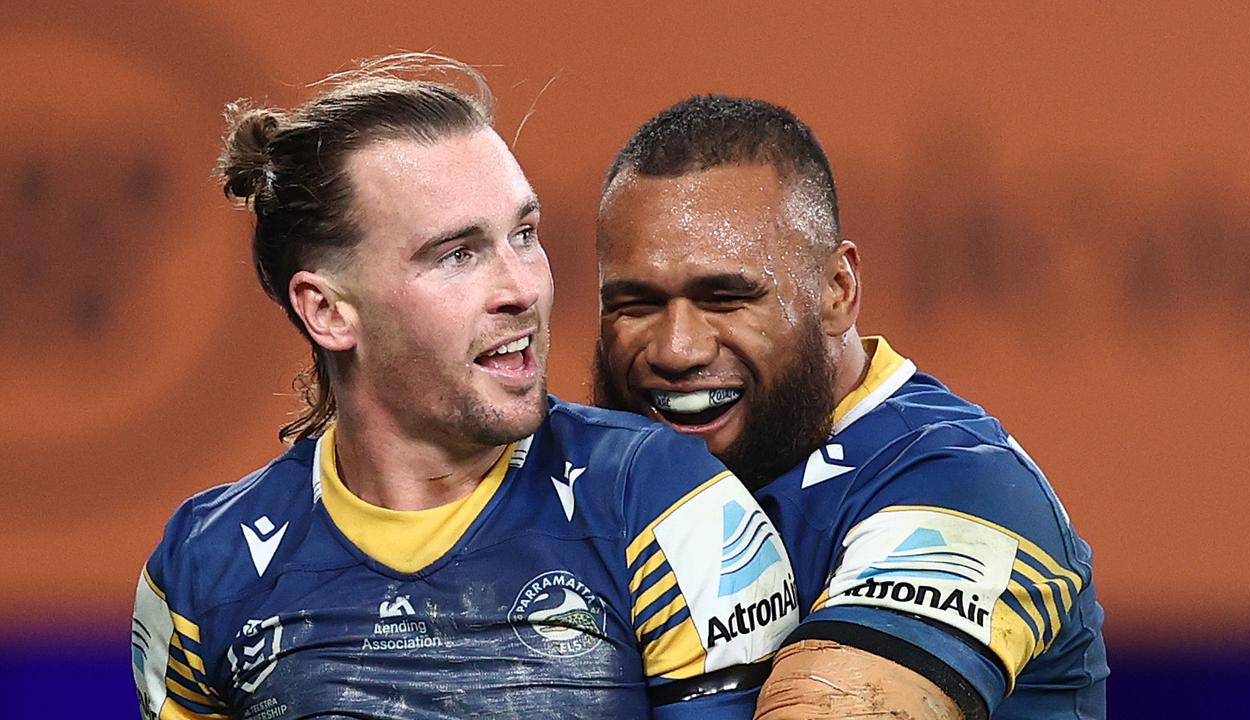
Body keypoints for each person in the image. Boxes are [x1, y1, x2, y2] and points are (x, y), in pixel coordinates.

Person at [130, 59, 798, 720]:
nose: (522, 289)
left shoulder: (664, 504)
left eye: (525, 234)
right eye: (458, 253)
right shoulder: (202, 568)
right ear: (328, 311)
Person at [594, 95, 1107, 719]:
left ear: (838, 290)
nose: (676, 350)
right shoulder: (579, 481)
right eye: (635, 304)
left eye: (726, 298)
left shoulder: (966, 488)